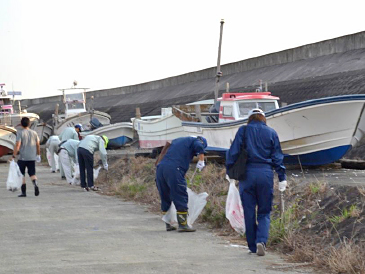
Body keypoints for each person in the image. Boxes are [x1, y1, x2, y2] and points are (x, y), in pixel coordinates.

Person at [226, 108, 287, 256]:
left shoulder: (243, 130)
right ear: (263, 118)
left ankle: (252, 247)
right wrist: (282, 177)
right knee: (264, 211)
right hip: (265, 173)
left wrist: (230, 171)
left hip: (247, 174)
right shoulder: (271, 132)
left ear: (250, 118)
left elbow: (233, 152)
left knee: (248, 211)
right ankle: (261, 241)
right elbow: (277, 157)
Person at [155, 136, 207, 232]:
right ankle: (183, 225)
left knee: (165, 196)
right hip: (173, 169)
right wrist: (201, 160)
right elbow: (199, 145)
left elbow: (165, 149)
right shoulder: (195, 141)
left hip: (160, 168)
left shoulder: (177, 140)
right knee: (180, 193)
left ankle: (168, 224)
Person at [11, 117, 41, 197]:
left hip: (22, 157)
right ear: (29, 124)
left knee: (21, 174)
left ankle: (24, 193)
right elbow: (38, 145)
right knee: (32, 173)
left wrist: (14, 155)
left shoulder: (20, 133)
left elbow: (18, 145)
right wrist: (38, 155)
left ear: (21, 124)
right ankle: (35, 184)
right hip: (32, 157)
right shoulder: (34, 133)